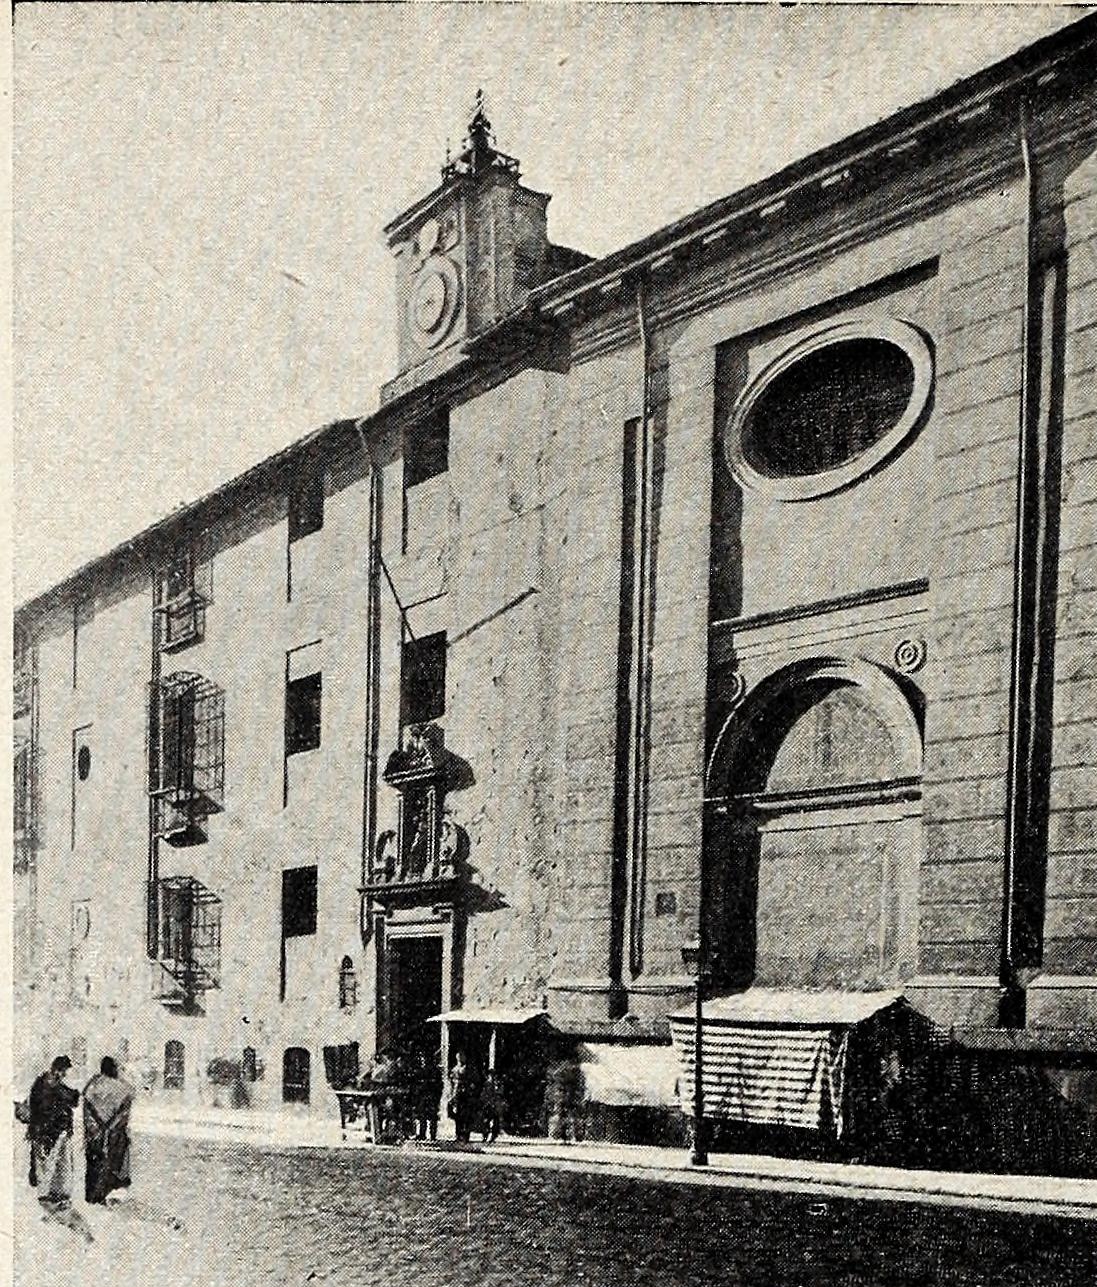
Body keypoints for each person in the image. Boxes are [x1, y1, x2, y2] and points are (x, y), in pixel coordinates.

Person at [27, 1056, 82, 1218]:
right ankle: (50, 1197)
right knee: (52, 1164)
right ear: (57, 1069)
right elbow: (69, 1099)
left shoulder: (48, 1083)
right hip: (50, 1132)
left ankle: (56, 1195)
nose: (64, 1074)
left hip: (54, 1131)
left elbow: (70, 1098)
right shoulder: (48, 1083)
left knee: (57, 1164)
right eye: (63, 1071)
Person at [83, 1056, 134, 1204]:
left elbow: (87, 1110)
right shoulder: (123, 1088)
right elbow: (124, 1113)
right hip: (114, 1134)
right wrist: (111, 1128)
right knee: (113, 1163)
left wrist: (95, 1129)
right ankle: (109, 1194)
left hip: (94, 1133)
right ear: (113, 1069)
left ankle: (93, 1196)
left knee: (94, 1162)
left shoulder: (92, 1085)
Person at [447, 1050, 477, 1143]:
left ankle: (465, 1136)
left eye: (462, 1056)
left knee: (466, 1117)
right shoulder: (454, 1069)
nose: (460, 1058)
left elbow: (474, 1082)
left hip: (466, 1095)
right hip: (457, 1095)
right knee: (457, 1116)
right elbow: (451, 1083)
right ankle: (458, 1134)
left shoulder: (469, 1069)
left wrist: (470, 1090)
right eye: (458, 1056)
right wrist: (451, 1095)